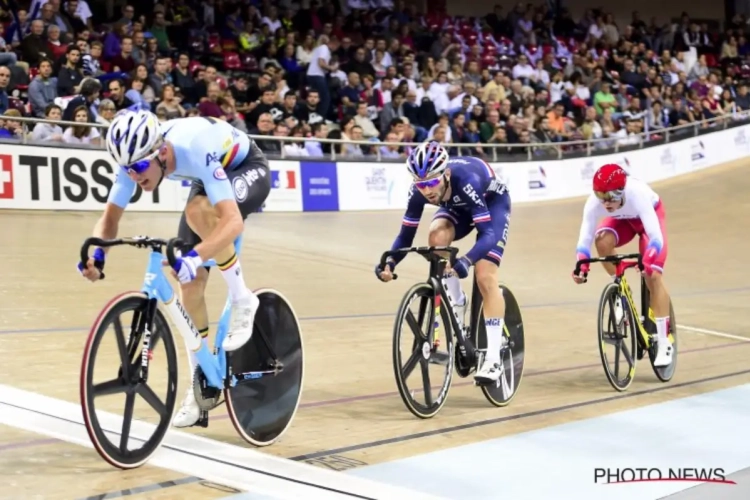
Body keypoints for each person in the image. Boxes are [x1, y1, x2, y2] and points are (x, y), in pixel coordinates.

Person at [78, 109, 272, 427]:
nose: (135, 177)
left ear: (162, 152)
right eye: (128, 171)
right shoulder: (134, 157)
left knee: (198, 215)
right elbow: (110, 218)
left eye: (140, 167)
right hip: (208, 177)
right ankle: (201, 383)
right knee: (190, 283)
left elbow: (232, 221)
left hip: (245, 167)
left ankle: (242, 299)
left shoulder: (193, 147)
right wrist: (98, 254)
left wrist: (195, 255)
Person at [375, 141, 511, 384]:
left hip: (491, 203)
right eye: (420, 184)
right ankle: (457, 301)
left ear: (446, 174)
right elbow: (406, 236)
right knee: (436, 236)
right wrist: (391, 261)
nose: (426, 190)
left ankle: (492, 358)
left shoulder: (466, 180)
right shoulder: (419, 191)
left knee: (484, 275)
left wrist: (467, 261)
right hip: (457, 207)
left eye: (430, 182)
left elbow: (488, 235)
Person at [571, 163, 673, 366]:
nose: (605, 202)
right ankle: (621, 288)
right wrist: (581, 265)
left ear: (621, 190)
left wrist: (648, 259)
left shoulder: (636, 194)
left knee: (652, 276)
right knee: (602, 242)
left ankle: (664, 342)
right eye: (600, 196)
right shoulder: (594, 202)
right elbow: (585, 239)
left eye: (610, 197)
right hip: (623, 221)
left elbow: (656, 238)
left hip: (648, 223)